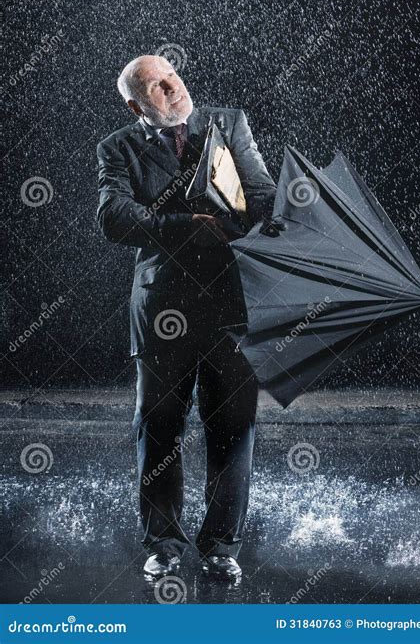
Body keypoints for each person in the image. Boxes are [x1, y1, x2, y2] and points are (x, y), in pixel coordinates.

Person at [96, 55, 283, 580]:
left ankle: (222, 546)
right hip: (163, 310)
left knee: (234, 426)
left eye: (172, 77)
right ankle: (164, 545)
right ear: (137, 105)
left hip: (231, 302)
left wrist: (266, 218)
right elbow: (114, 216)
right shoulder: (119, 147)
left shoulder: (228, 123)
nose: (171, 88)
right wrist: (184, 225)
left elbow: (263, 192)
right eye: (155, 87)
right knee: (158, 428)